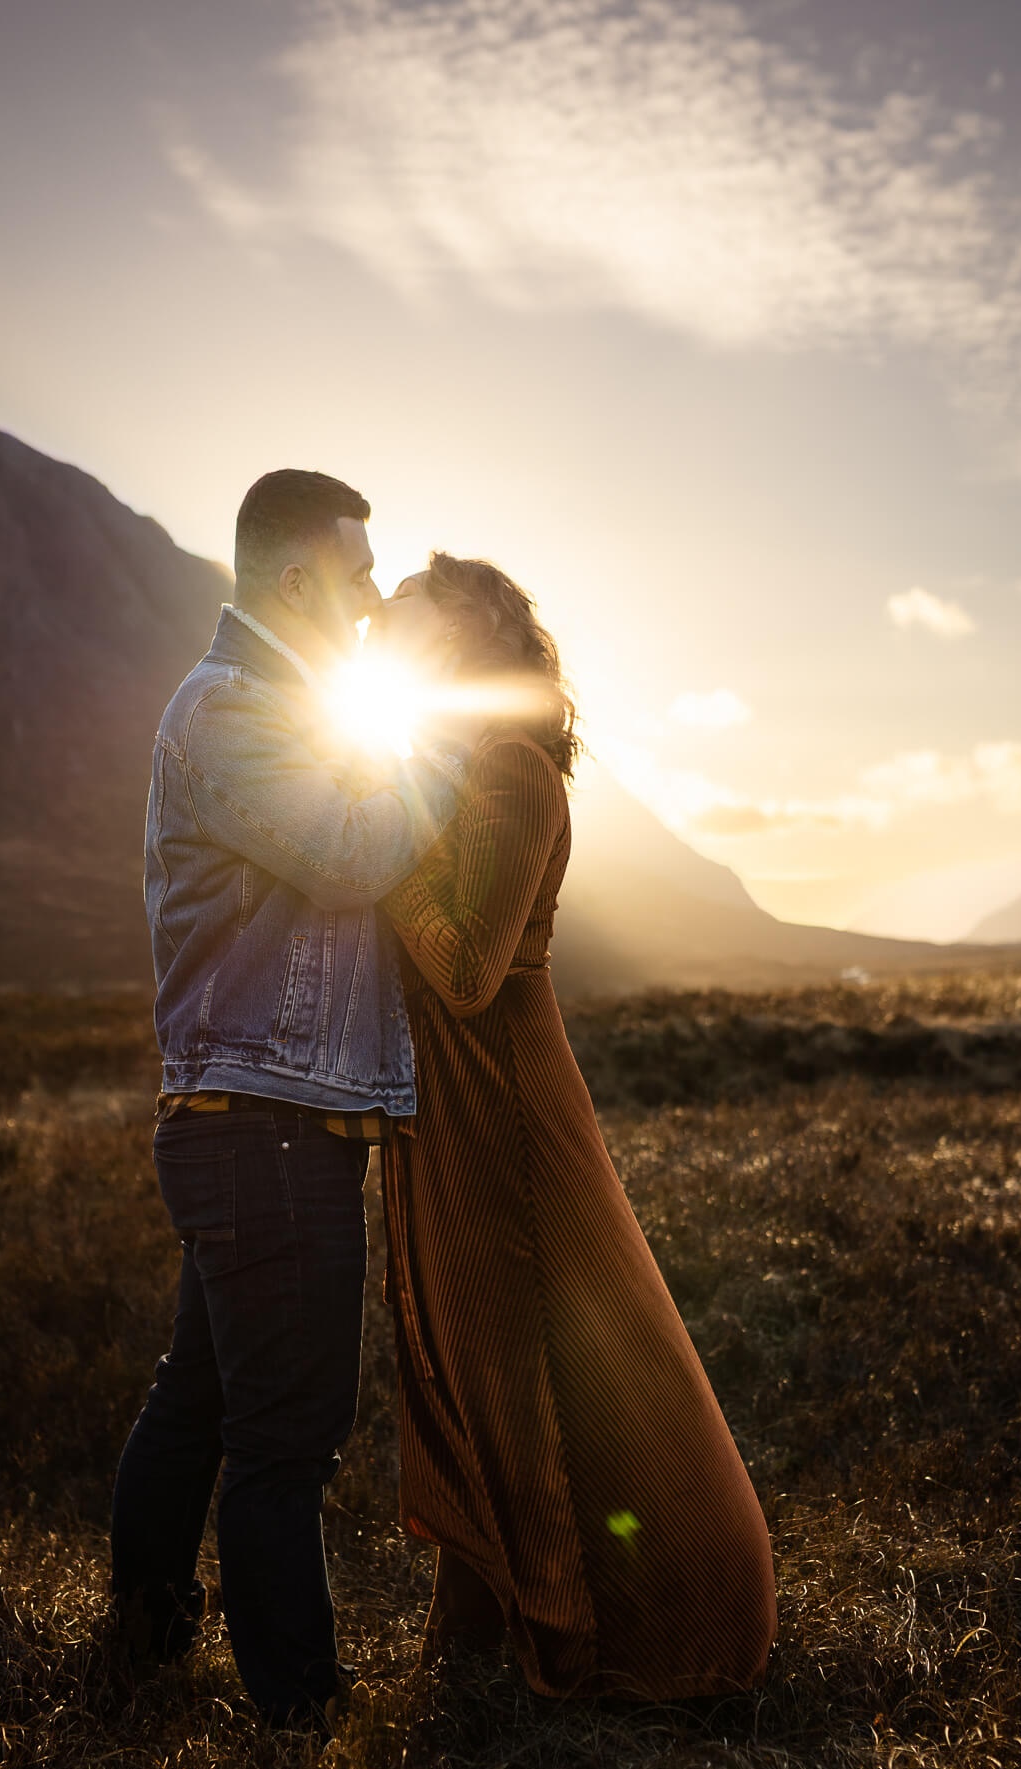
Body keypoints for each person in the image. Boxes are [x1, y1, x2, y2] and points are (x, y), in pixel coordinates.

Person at [375, 554, 776, 1699]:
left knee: (528, 1354)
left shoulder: (507, 764)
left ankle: (612, 1625)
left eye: (406, 594)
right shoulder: (444, 760)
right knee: (467, 1353)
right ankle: (476, 1624)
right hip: (444, 1104)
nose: (383, 611)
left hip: (502, 1098)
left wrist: (387, 823)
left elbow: (463, 969)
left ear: (465, 627)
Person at [110, 471, 473, 1733]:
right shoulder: (229, 714)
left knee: (200, 1398)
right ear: (299, 580)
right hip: (265, 1128)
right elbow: (357, 851)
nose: (373, 600)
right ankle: (299, 1715)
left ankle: (143, 1644)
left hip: (261, 1120)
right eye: (360, 574)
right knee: (287, 1441)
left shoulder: (281, 709)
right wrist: (438, 738)